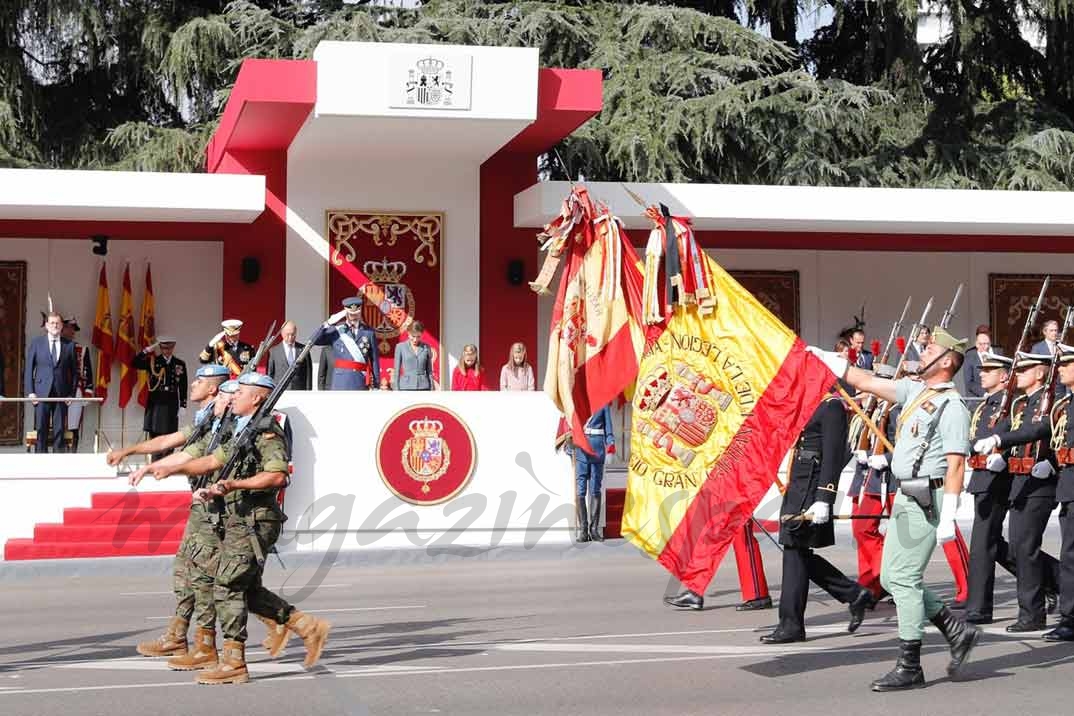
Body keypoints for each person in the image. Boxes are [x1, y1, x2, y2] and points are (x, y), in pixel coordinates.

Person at [813, 326, 980, 691]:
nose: (922, 351)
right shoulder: (918, 391)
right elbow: (869, 382)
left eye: (930, 348)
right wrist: (825, 358)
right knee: (891, 578)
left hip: (928, 498)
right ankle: (956, 629)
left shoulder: (952, 407)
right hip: (905, 496)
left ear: (947, 361)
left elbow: (955, 466)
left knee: (903, 580)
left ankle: (910, 665)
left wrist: (949, 516)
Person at [149, 372, 331, 684]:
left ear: (256, 398)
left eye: (240, 393)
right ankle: (305, 626)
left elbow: (277, 476)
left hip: (255, 521)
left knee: (227, 584)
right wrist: (170, 468)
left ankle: (234, 662)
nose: (232, 396)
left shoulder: (267, 434)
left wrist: (234, 483)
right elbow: (210, 462)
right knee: (244, 588)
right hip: (235, 517)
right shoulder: (240, 432)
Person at [106, 363, 230, 659]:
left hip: (216, 510)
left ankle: (208, 645)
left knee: (217, 583)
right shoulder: (205, 420)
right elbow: (168, 442)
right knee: (185, 574)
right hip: (201, 506)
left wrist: (153, 468)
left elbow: (195, 458)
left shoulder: (223, 425)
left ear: (213, 389)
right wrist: (131, 453)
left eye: (199, 381)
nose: (192, 385)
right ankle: (179, 636)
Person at [760, 391, 874, 644]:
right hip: (798, 483)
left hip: (812, 487)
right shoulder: (807, 402)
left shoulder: (831, 406)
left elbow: (834, 455)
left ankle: (792, 624)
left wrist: (825, 498)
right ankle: (853, 594)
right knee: (795, 551)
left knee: (794, 549)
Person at [973, 351, 1064, 632]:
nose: (1019, 374)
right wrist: (1004, 455)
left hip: (1041, 482)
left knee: (1025, 548)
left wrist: (1050, 463)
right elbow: (1018, 434)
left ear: (1039, 373)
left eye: (1024, 370)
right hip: (1020, 480)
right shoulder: (1021, 405)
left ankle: (1032, 613)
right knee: (1019, 548)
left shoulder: (1053, 402)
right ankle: (1034, 608)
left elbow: (1049, 434)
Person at [962, 351, 1045, 624]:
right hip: (983, 476)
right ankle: (1051, 579)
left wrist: (1004, 457)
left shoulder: (1011, 404)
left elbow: (1020, 435)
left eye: (989, 370)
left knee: (986, 542)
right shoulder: (987, 404)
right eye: (982, 369)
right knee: (994, 544)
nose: (982, 373)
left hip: (1000, 477)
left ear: (1003, 375)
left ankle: (979, 607)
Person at [1039, 342, 1074, 641]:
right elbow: (1051, 437)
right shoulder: (1063, 405)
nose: (1059, 368)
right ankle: (1070, 616)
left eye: (1065, 364)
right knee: (1070, 555)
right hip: (1067, 486)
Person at [24, 311, 77, 452]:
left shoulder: (69, 345)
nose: (55, 325)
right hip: (41, 393)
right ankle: (41, 464)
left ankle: (58, 465)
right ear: (46, 325)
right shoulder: (37, 343)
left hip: (61, 394)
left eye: (57, 323)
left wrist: (71, 394)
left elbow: (74, 373)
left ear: (61, 326)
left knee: (59, 431)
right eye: (52, 323)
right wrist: (31, 392)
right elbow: (29, 369)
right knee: (41, 430)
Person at [132, 335, 187, 461]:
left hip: (172, 401)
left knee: (171, 435)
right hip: (156, 402)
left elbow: (183, 385)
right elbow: (134, 363)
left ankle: (167, 463)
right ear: (160, 348)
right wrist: (146, 351)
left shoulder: (179, 364)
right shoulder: (153, 361)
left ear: (173, 348)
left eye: (169, 348)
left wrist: (183, 404)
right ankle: (155, 463)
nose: (167, 351)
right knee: (156, 435)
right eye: (164, 348)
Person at [314, 297, 380, 391]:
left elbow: (374, 360)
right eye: (351, 314)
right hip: (340, 382)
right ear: (345, 313)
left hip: (360, 381)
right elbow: (315, 340)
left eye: (356, 313)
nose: (354, 316)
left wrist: (376, 385)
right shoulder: (337, 330)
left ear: (360, 312)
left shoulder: (368, 332)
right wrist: (328, 323)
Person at [572, 404, 614, 542]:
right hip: (581, 451)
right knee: (580, 490)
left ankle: (594, 529)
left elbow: (608, 428)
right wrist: (569, 444)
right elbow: (571, 424)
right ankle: (583, 530)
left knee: (595, 490)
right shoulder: (578, 401)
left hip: (597, 452)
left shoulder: (603, 403)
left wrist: (610, 447)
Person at [61, 316, 94, 451]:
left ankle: (72, 453)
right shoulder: (53, 346)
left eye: (74, 329)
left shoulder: (81, 349)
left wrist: (88, 391)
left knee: (73, 424)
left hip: (76, 391)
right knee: (57, 424)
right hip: (57, 390)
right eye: (70, 328)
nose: (72, 331)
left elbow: (88, 372)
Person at [267, 320, 312, 390]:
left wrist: (308, 392)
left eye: (293, 334)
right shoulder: (273, 352)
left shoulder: (303, 349)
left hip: (299, 391)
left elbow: (308, 374)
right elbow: (270, 375)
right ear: (282, 333)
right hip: (279, 391)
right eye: (287, 334)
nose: (290, 337)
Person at [393, 321, 434, 390]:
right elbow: (397, 370)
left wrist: (431, 387)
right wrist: (396, 389)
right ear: (408, 334)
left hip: (423, 387)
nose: (415, 339)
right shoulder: (400, 347)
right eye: (413, 336)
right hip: (406, 387)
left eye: (418, 336)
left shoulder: (426, 347)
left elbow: (429, 370)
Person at [962, 325, 993, 398]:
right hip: (977, 400)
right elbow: (969, 382)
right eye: (980, 344)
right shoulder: (969, 355)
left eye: (986, 344)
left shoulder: (998, 352)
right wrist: (984, 394)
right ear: (976, 343)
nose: (983, 346)